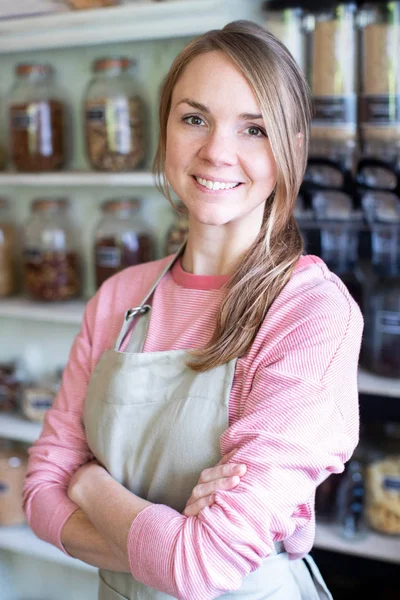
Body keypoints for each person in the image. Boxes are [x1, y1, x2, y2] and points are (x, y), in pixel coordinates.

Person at [23, 20, 363, 600]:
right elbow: (38, 492)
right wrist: (168, 541)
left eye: (253, 128)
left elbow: (201, 569)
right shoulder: (119, 298)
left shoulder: (309, 314)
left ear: (293, 147)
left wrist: (89, 484)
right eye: (194, 118)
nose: (216, 152)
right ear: (166, 130)